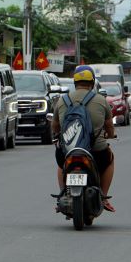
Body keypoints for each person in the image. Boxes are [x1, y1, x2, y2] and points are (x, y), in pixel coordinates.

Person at [51, 65, 117, 212]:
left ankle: (62, 194)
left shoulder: (63, 100)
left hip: (68, 149)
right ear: (92, 83)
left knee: (62, 165)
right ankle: (104, 197)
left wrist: (58, 136)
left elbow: (55, 125)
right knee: (110, 160)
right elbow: (109, 127)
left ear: (74, 82)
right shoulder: (101, 100)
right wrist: (111, 135)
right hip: (96, 150)